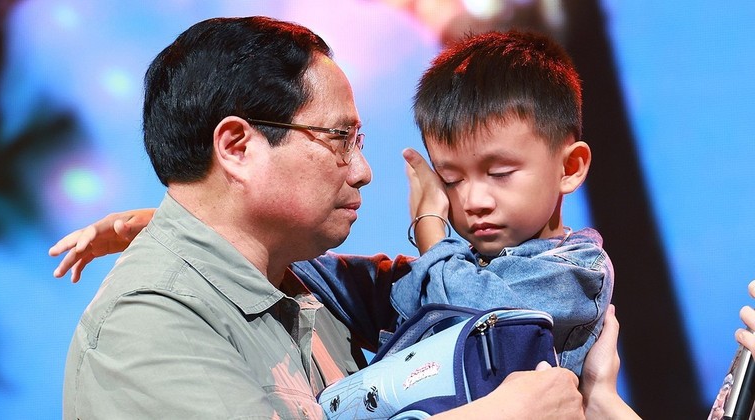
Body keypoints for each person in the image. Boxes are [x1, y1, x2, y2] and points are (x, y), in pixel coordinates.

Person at [58, 16, 601, 419]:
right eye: (340, 138)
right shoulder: (149, 323)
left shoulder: (299, 287)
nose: (364, 171)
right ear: (238, 147)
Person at [389, 30, 612, 376]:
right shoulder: (459, 266)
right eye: (450, 180)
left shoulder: (577, 269)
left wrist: (430, 224)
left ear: (569, 167)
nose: (473, 201)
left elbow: (474, 315)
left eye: (500, 173)